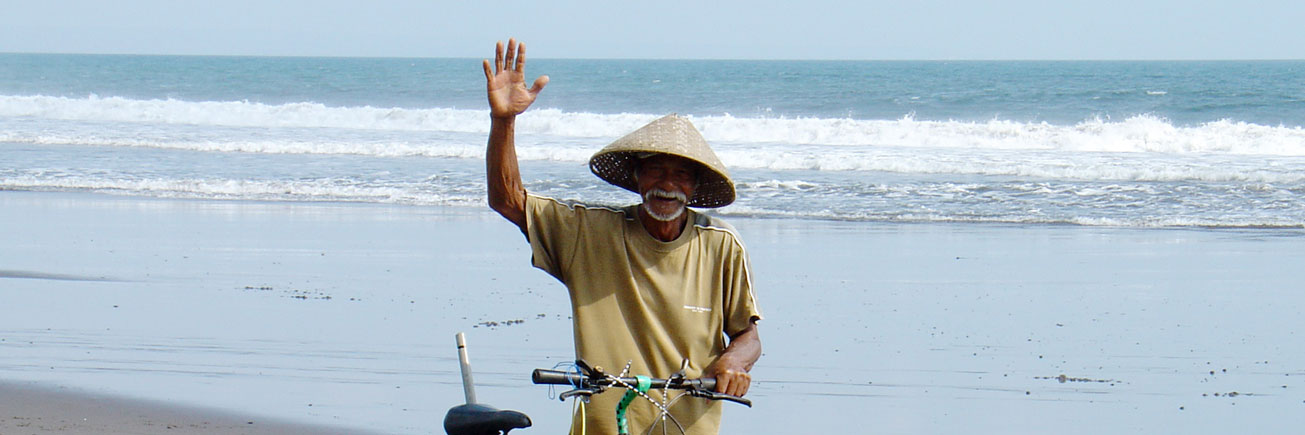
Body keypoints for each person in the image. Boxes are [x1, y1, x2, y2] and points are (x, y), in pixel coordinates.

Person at [483, 39, 762, 435]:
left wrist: (734, 362)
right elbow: (508, 200)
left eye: (681, 174)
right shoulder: (589, 232)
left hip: (689, 422)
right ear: (636, 176)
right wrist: (504, 122)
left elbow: (748, 335)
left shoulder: (720, 244)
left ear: (695, 185)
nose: (667, 184)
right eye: (655, 170)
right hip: (602, 425)